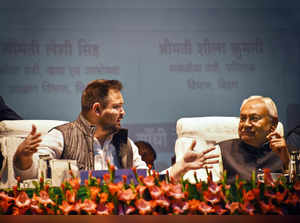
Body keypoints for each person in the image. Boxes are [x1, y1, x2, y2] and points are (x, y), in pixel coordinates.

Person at [13, 79, 219, 181]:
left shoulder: (125, 144)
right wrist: (22, 157)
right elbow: (33, 178)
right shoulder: (61, 136)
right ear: (97, 109)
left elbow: (146, 184)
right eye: (116, 107)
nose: (123, 112)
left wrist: (179, 168)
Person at [215, 96, 290, 183]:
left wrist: (287, 163)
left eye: (254, 118)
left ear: (273, 124)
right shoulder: (221, 151)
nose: (246, 124)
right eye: (243, 119)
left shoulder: (287, 152)